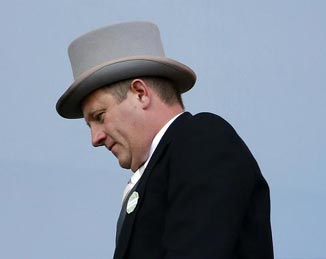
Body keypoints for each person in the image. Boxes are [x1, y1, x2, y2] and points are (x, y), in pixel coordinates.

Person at [56, 21, 274, 259]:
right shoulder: (160, 167)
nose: (95, 139)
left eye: (99, 116)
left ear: (140, 94)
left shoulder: (201, 139)